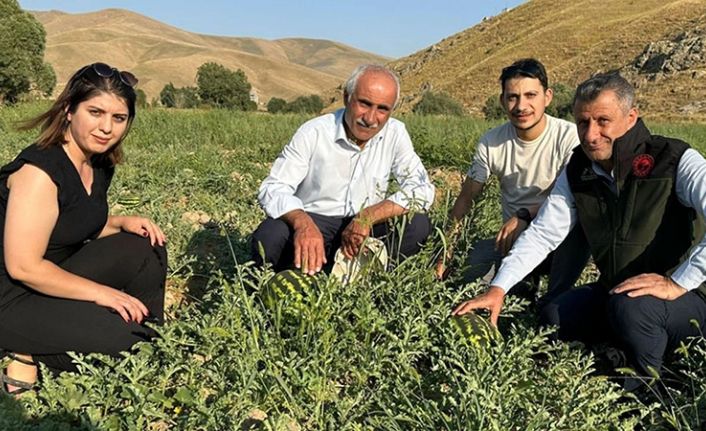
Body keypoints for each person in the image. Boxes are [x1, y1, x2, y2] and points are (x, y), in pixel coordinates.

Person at [453, 72, 706, 388]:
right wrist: (498, 288)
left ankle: (650, 387)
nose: (590, 134)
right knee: (555, 316)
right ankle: (617, 352)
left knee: (633, 309)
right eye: (583, 122)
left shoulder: (674, 159)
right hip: (617, 289)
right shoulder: (579, 169)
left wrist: (677, 282)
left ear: (631, 117)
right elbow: (544, 233)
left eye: (603, 121)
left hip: (689, 298)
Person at [0, 63, 167, 395]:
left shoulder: (97, 161)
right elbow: (23, 267)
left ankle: (151, 331)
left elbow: (69, 224)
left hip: (51, 274)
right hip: (11, 297)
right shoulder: (40, 173)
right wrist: (101, 293)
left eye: (118, 118)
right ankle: (23, 351)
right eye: (95, 112)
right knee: (128, 343)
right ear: (69, 110)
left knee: (146, 245)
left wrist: (119, 223)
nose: (106, 127)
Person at [252, 64, 435, 275]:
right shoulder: (314, 132)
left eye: (382, 109)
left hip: (365, 227)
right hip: (315, 222)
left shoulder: (395, 133)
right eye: (364, 104)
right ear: (347, 97)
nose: (370, 118)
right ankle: (288, 279)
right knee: (270, 235)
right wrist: (303, 224)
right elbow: (274, 188)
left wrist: (367, 216)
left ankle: (372, 280)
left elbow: (422, 189)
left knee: (417, 224)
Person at [437, 58, 588, 306]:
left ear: (547, 97)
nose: (521, 106)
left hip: (561, 237)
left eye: (530, 95)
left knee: (553, 309)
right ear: (502, 101)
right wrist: (446, 249)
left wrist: (524, 215)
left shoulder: (569, 137)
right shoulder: (491, 142)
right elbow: (466, 197)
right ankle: (520, 286)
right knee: (461, 279)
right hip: (512, 240)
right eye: (513, 97)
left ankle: (555, 299)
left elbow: (570, 199)